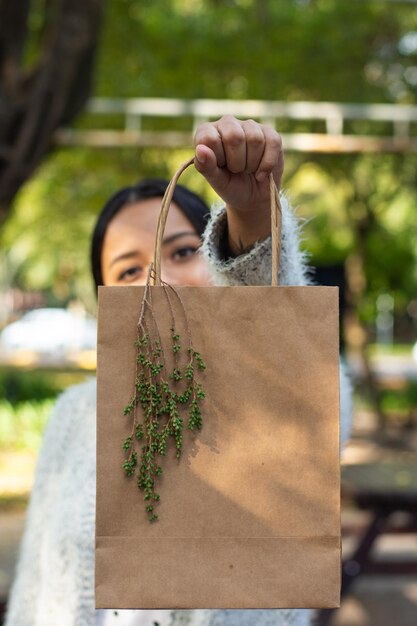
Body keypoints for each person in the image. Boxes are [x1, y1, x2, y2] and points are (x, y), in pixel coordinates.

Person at [5, 116, 352, 626]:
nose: (159, 279)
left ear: (219, 256)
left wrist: (252, 219)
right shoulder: (73, 416)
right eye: (128, 270)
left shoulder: (278, 392)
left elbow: (311, 395)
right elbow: (38, 597)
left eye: (184, 251)